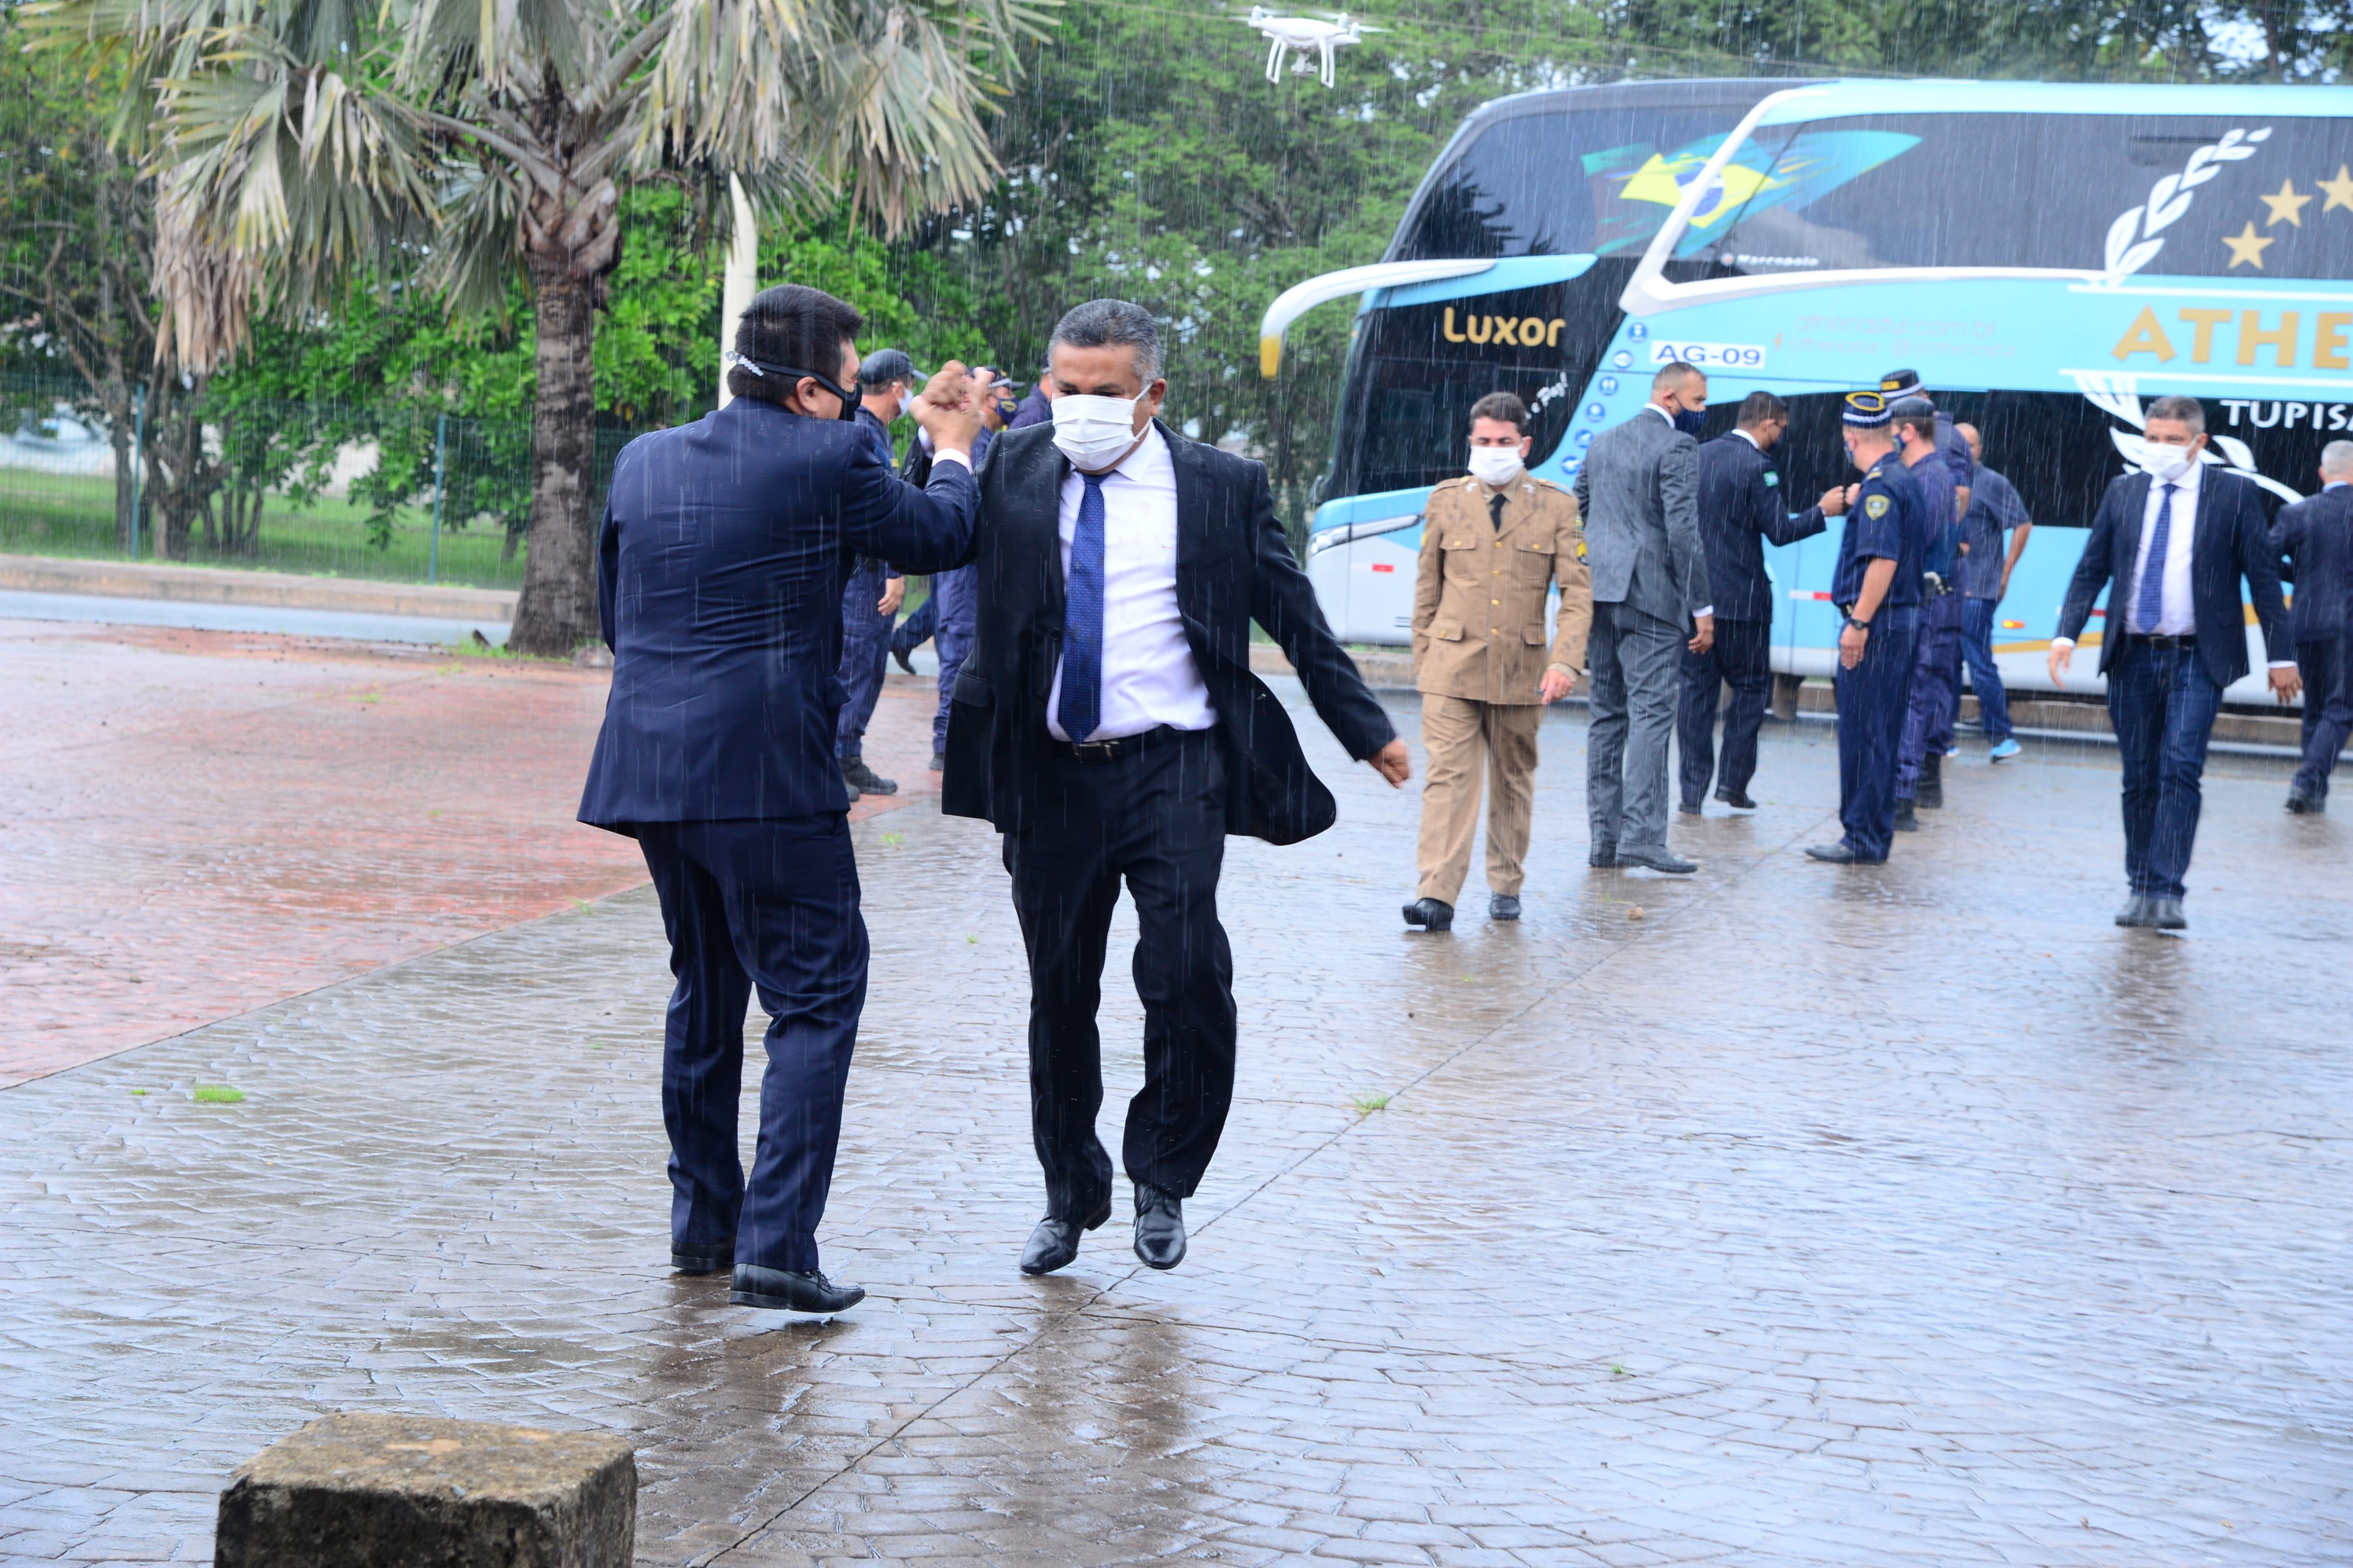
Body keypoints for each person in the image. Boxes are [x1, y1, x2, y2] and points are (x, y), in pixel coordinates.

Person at [941, 298, 1407, 1277]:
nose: (1080, 407)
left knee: (1189, 973)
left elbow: (1293, 612)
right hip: (1049, 775)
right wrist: (940, 446)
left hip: (1173, 766)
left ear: (1151, 394)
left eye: (1104, 392)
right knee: (1059, 992)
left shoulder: (1222, 486)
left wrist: (1365, 731)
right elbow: (926, 538)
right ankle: (1070, 1193)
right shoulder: (1011, 463)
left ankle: (1163, 1173)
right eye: (1065, 387)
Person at [578, 284, 988, 1314]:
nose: (855, 405)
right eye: (849, 385)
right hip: (766, 776)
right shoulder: (833, 454)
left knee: (705, 989)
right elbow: (942, 534)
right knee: (816, 996)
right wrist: (951, 445)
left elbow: (617, 616)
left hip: (652, 770)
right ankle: (777, 1249)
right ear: (810, 391)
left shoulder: (644, 458)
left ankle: (704, 1230)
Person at [2050, 394, 2296, 930]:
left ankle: (2167, 890)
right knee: (2140, 776)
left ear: (2199, 442)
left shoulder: (2233, 494)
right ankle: (2140, 884)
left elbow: (2263, 580)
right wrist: (2066, 634)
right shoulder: (2124, 491)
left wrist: (2282, 654)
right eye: (2152, 438)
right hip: (2131, 656)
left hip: (2197, 657)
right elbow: (2091, 570)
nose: (2158, 448)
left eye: (2172, 440)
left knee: (2180, 768)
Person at [1401, 391, 1592, 932]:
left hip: (1522, 670)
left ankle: (1506, 881)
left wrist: (1564, 663)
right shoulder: (1446, 500)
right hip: (1451, 666)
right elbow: (1427, 588)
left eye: (1503, 441)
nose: (1492, 450)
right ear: (1470, 441)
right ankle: (1436, 893)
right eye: (1483, 440)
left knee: (1512, 778)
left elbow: (1577, 594)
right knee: (1448, 778)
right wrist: (1425, 659)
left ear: (1524, 445)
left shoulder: (1557, 506)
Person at [1573, 360, 1715, 874]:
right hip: (1652, 598)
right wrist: (1702, 605)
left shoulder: (1603, 441)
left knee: (1607, 716)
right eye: (1698, 401)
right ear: (1670, 397)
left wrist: (1604, 558)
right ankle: (1643, 838)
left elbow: (1580, 506)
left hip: (1602, 593)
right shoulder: (1678, 446)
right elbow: (1682, 530)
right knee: (1652, 714)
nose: (1704, 410)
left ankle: (1604, 839)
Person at [1675, 389, 1835, 815]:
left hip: (1696, 601)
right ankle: (1732, 783)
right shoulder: (1759, 466)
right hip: (1743, 605)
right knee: (1749, 690)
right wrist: (1823, 510)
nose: (1781, 437)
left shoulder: (1699, 456)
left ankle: (1691, 791)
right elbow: (1780, 531)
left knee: (1695, 696)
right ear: (1768, 424)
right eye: (1781, 429)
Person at [1805, 392, 1925, 865]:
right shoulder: (1901, 476)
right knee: (1881, 733)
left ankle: (1862, 837)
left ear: (1850, 438)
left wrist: (1858, 622)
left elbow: (1883, 560)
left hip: (1877, 625)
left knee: (1864, 734)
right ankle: (1872, 833)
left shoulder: (1880, 487)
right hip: (1896, 622)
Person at [834, 350, 919, 798]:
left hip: (870, 573)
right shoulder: (862, 434)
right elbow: (874, 514)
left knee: (868, 666)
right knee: (855, 665)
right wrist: (894, 570)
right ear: (897, 387)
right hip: (863, 575)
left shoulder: (874, 433)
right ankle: (836, 759)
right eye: (910, 385)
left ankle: (849, 755)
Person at [1889, 397, 1961, 832]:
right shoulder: (1931, 473)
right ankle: (1909, 789)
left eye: (1892, 430)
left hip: (1922, 605)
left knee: (1912, 700)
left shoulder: (1929, 477)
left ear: (1908, 431)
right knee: (1918, 697)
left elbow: (1915, 545)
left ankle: (1903, 796)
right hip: (1925, 603)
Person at [2270, 440, 2353, 813]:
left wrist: (2300, 577)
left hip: (2306, 621)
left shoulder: (2298, 512)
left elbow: (2263, 558)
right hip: (2348, 626)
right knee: (2343, 708)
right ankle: (2306, 781)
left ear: (2322, 473)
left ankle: (2314, 792)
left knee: (2317, 709)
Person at [1953, 422, 2033, 763]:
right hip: (1947, 589)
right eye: (1957, 445)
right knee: (1945, 666)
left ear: (1980, 449)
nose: (1963, 451)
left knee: (1979, 665)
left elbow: (2023, 524)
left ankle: (2002, 736)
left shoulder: (1991, 483)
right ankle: (1941, 738)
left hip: (1977, 590)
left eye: (1970, 445)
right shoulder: (1942, 479)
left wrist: (2005, 572)